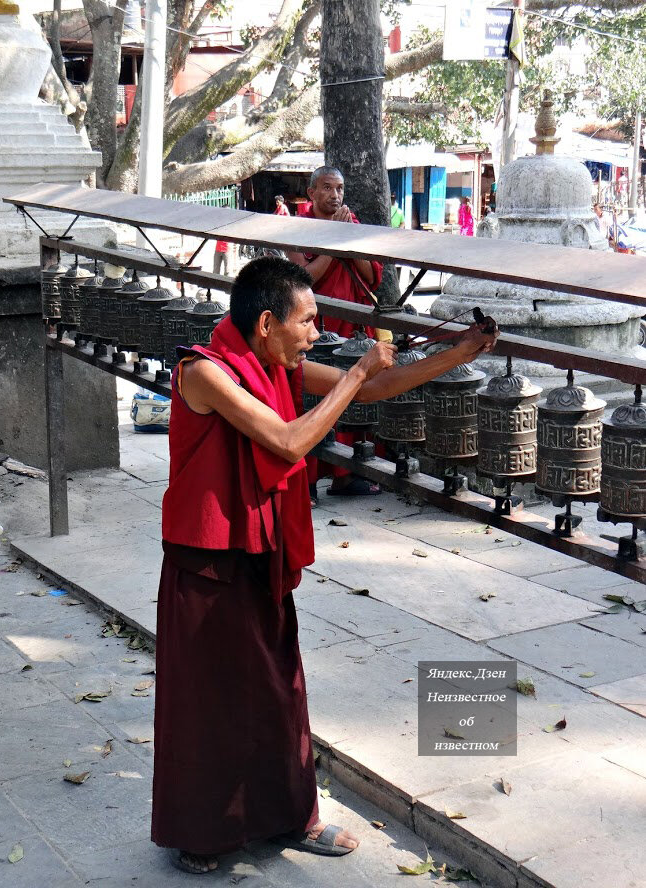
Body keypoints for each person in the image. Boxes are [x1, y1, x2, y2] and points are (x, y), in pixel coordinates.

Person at [152, 256, 498, 875]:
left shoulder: (272, 363)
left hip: (260, 553)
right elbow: (287, 440)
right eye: (308, 321)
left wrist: (460, 352)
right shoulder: (202, 372)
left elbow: (370, 389)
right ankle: (204, 833)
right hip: (207, 564)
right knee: (211, 702)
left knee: (279, 691)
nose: (316, 333)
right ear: (266, 323)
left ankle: (289, 816)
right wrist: (354, 370)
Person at [287, 166, 385, 499]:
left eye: (340, 188)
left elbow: (372, 275)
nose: (335, 195)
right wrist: (333, 239)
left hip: (354, 326)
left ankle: (348, 475)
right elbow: (306, 278)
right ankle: (309, 479)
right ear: (311, 193)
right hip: (317, 329)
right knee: (315, 398)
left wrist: (346, 236)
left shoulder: (351, 223)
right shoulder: (298, 228)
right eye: (327, 188)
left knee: (355, 396)